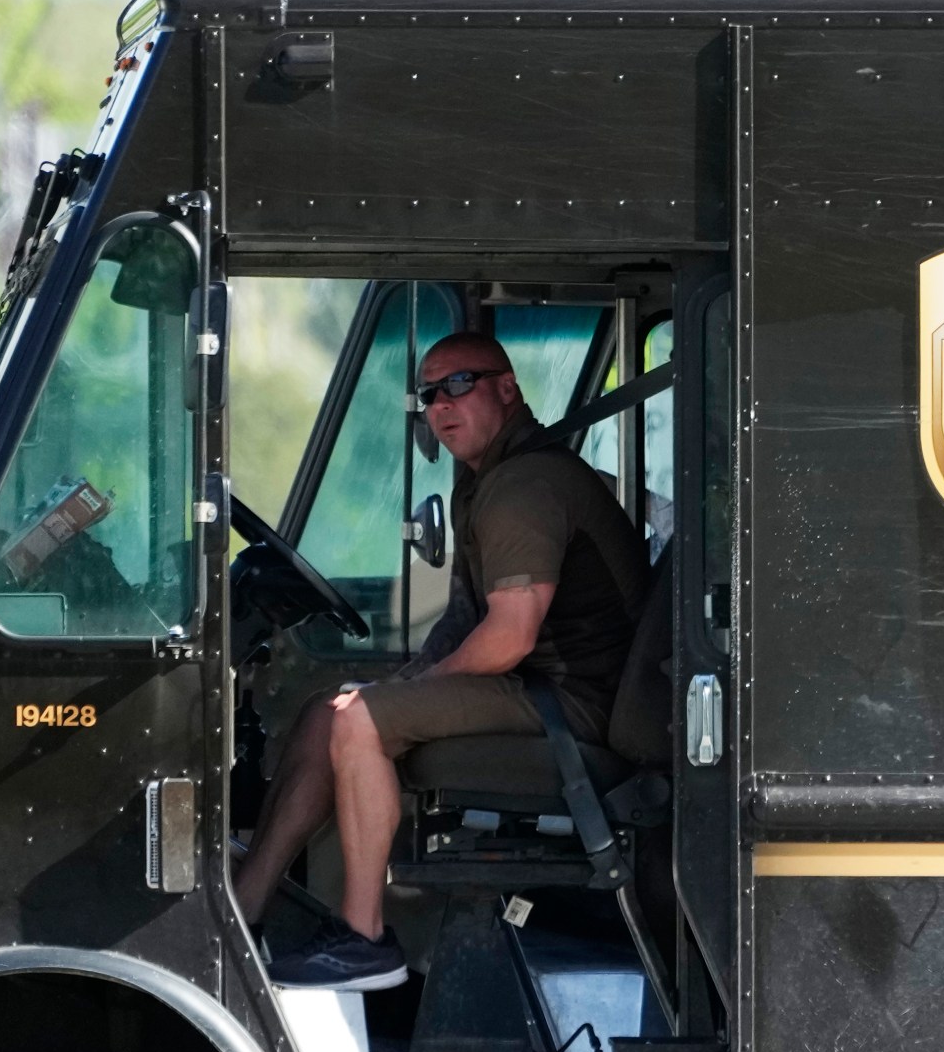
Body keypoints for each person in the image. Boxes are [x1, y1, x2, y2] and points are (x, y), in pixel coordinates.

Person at [235, 331, 652, 990]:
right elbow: (466, 616)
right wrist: (398, 685)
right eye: (429, 394)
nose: (441, 406)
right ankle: (239, 917)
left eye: (460, 384)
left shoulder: (526, 486)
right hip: (538, 688)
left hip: (572, 705)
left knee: (361, 722)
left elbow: (510, 636)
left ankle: (363, 939)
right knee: (328, 711)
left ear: (508, 390)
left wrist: (410, 692)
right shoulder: (485, 481)